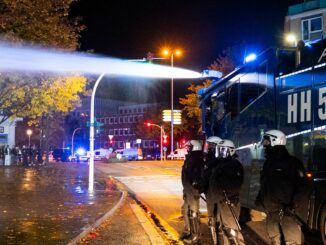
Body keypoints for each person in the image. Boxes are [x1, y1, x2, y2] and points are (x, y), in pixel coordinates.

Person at [256, 129, 306, 245]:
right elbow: (265, 183)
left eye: (266, 142)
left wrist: (294, 206)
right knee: (275, 241)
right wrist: (260, 198)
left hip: (288, 214)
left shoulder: (292, 163)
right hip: (271, 213)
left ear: (275, 141)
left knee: (292, 242)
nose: (264, 145)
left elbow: (303, 187)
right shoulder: (268, 163)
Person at [207, 139, 245, 245]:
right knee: (225, 228)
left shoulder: (234, 165)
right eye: (219, 150)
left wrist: (226, 193)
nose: (220, 153)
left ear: (230, 151)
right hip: (221, 200)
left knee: (232, 231)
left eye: (223, 150)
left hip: (229, 201)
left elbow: (236, 184)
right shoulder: (221, 164)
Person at [180, 140, 204, 244]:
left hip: (192, 191)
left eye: (190, 147)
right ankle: (190, 232)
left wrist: (195, 185)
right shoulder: (191, 158)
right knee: (186, 211)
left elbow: (198, 175)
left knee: (193, 213)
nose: (188, 149)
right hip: (188, 190)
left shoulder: (197, 159)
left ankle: (196, 236)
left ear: (195, 147)